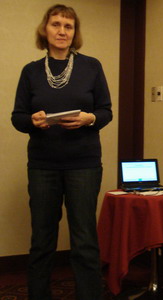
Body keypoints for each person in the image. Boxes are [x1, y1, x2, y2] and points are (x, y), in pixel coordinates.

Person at [11, 4, 112, 300]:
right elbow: (17, 117)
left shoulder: (92, 66)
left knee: (84, 240)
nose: (62, 31)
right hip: (43, 166)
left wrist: (88, 118)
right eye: (56, 24)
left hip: (84, 164)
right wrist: (32, 121)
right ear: (45, 29)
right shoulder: (30, 71)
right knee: (42, 240)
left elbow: (105, 111)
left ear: (74, 33)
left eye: (68, 26)